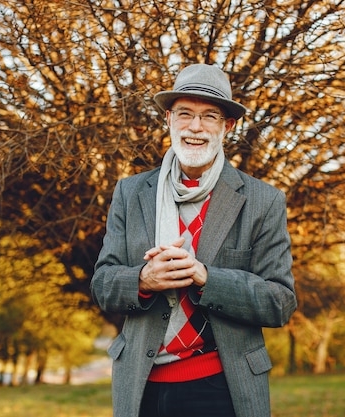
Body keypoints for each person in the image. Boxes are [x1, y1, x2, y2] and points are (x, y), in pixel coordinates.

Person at [91, 63, 297, 417]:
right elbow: (102, 284)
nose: (196, 127)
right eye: (185, 113)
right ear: (168, 119)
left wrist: (207, 277)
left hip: (223, 388)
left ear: (227, 126)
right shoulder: (130, 192)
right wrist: (142, 280)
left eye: (210, 116)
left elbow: (280, 301)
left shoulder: (264, 201)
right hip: (142, 388)